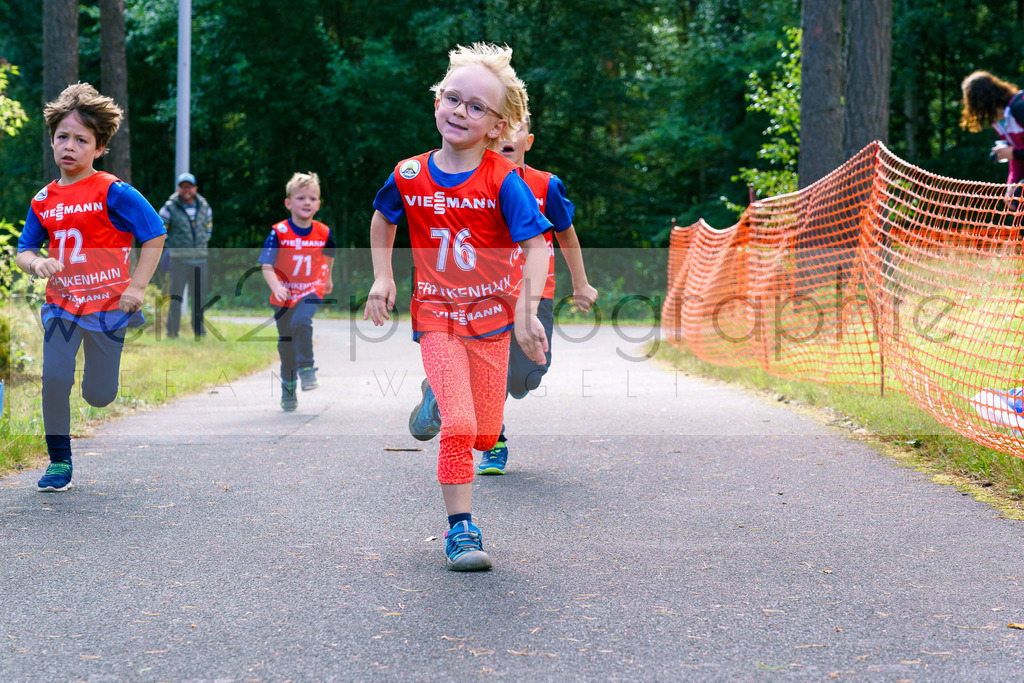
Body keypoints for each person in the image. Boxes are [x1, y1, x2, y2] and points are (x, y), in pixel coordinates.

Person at [364, 43, 551, 572]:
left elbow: (538, 245)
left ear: (497, 126)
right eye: (452, 98)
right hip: (438, 316)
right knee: (462, 426)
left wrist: (526, 309)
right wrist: (383, 278)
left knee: (487, 434)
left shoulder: (504, 181)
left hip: (491, 323)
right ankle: (461, 531)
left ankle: (435, 400)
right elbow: (384, 219)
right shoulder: (408, 174)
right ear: (436, 101)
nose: (459, 111)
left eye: (476, 107)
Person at [408, 114, 599, 476]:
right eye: (503, 127)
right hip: (486, 296)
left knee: (528, 375)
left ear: (529, 140)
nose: (509, 135)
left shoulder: (546, 185)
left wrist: (581, 283)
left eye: (518, 128)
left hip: (534, 292)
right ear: (490, 134)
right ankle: (492, 440)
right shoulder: (472, 180)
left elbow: (567, 234)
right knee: (483, 373)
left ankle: (455, 394)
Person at [15, 82, 166, 492]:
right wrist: (37, 263)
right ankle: (59, 462)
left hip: (108, 307)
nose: (70, 146)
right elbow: (24, 249)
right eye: (62, 137)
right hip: (61, 304)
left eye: (81, 140)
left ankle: (97, 380)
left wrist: (137, 288)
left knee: (99, 395)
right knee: (55, 377)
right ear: (51, 141)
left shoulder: (113, 190)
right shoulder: (43, 199)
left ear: (98, 148)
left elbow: (154, 234)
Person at [258, 172, 335, 411]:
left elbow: (329, 255)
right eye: (301, 198)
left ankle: (307, 368)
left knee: (303, 321)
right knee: (286, 344)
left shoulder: (323, 231)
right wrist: (276, 286)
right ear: (289, 203)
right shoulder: (279, 231)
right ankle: (288, 388)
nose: (307, 203)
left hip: (311, 288)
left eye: (312, 198)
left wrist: (328, 278)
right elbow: (266, 265)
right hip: (284, 296)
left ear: (318, 204)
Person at [159, 172, 213, 339]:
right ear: (178, 188)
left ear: (195, 188)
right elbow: (161, 231)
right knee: (175, 297)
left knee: (199, 298)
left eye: (189, 186)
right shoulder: (169, 207)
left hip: (200, 259)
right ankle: (172, 332)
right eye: (183, 186)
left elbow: (208, 229)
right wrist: (173, 246)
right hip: (178, 260)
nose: (186, 190)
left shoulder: (204, 206)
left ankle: (199, 332)